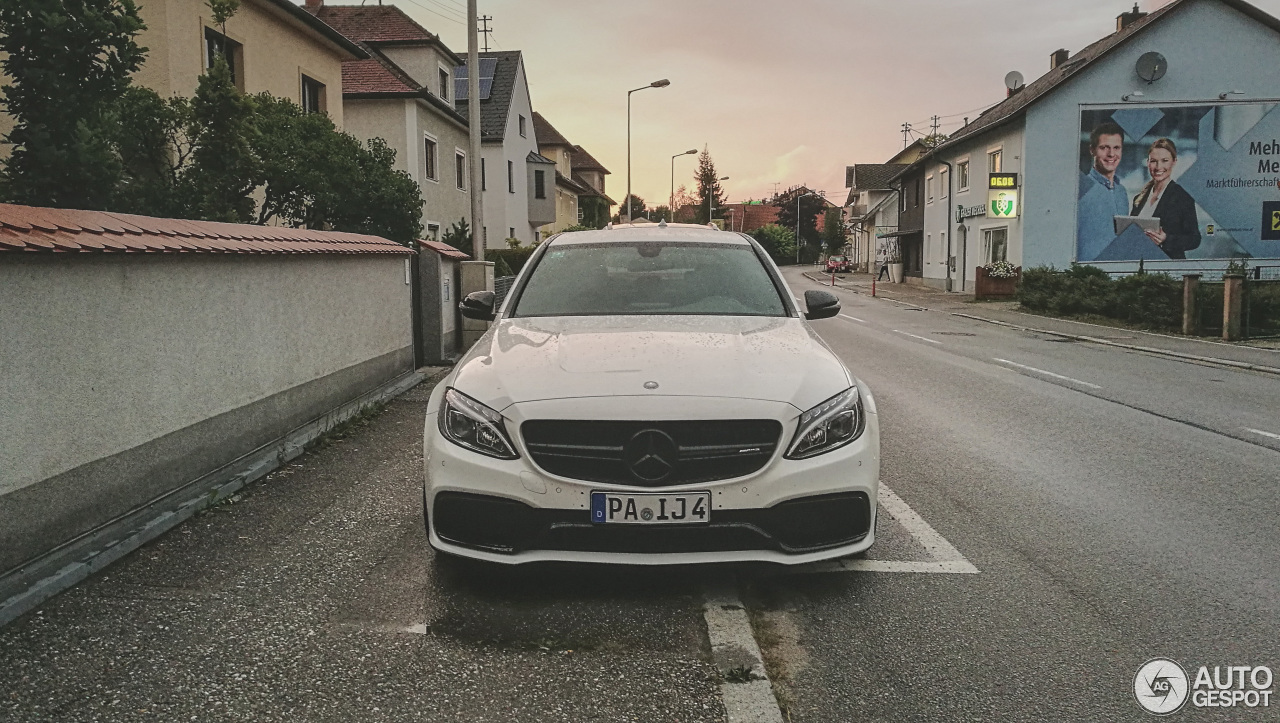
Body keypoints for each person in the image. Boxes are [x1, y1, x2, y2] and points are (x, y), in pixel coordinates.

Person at [1129, 138, 1200, 259]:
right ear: (1148, 163)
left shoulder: (1182, 196)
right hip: (1140, 265)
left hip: (1168, 266)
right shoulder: (1139, 198)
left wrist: (1166, 239)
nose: (1158, 166)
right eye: (1153, 161)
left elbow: (1194, 239)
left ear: (1174, 162)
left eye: (1164, 161)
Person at [1077, 122, 1131, 261]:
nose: (1111, 154)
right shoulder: (1080, 187)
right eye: (1104, 148)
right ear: (1092, 150)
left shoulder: (1122, 192)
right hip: (1087, 273)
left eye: (1116, 148)